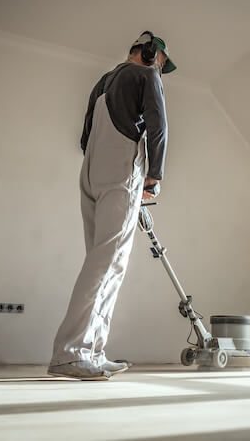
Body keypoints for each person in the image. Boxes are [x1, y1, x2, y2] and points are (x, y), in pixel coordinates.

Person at [47, 31, 176, 380]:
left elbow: (84, 139)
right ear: (152, 55)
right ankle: (70, 353)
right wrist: (153, 176)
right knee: (108, 265)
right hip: (121, 172)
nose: (161, 69)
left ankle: (92, 350)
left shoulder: (103, 82)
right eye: (163, 62)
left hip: (90, 173)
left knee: (102, 263)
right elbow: (157, 126)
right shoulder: (148, 75)